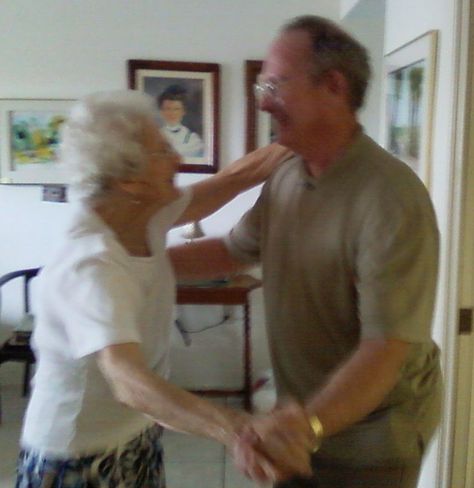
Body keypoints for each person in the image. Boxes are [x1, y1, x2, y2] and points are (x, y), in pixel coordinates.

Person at [169, 15, 442, 488]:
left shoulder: (391, 197)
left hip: (370, 440)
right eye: (262, 87)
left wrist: (305, 425)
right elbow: (233, 251)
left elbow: (384, 349)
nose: (265, 102)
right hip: (305, 425)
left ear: (333, 86)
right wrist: (134, 267)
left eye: (275, 84)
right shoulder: (288, 174)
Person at [15, 90, 314, 487]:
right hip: (75, 455)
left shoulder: (142, 213)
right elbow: (128, 380)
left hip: (133, 433)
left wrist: (301, 134)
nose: (178, 160)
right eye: (163, 152)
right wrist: (238, 429)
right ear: (130, 181)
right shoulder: (92, 264)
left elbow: (235, 178)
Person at [158, 84, 204, 158]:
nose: (172, 113)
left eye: (176, 109)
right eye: (167, 109)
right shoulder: (156, 136)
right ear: (161, 111)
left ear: (183, 112)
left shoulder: (193, 139)